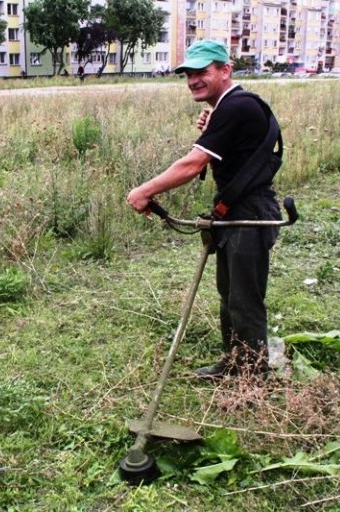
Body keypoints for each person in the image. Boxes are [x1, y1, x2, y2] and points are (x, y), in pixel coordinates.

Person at [126, 40, 282, 380]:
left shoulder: (236, 106)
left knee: (244, 299)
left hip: (250, 213)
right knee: (229, 294)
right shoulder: (230, 107)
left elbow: (192, 164)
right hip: (236, 211)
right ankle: (236, 364)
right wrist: (213, 128)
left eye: (202, 72)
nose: (193, 80)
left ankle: (252, 378)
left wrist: (145, 190)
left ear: (225, 70)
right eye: (189, 74)